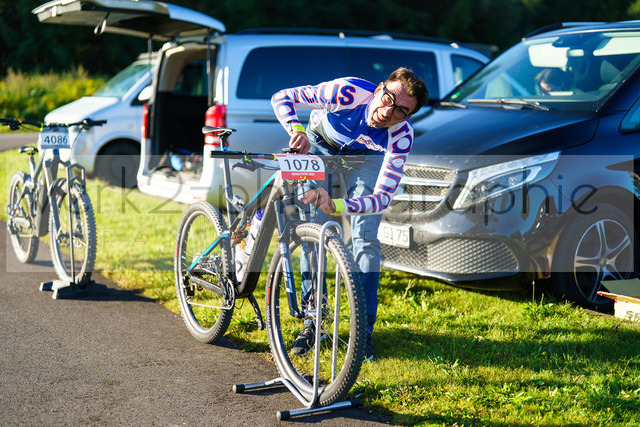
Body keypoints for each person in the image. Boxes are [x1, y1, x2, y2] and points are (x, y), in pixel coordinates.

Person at [271, 67, 428, 361]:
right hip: (320, 145)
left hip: (367, 158)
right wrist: (296, 130)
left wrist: (339, 206)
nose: (388, 112)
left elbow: (381, 199)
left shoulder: (401, 136)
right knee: (313, 232)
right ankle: (314, 320)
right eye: (388, 98)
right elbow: (282, 97)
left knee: (365, 238)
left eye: (401, 111)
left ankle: (362, 331)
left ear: (408, 117)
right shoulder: (347, 92)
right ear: (379, 88)